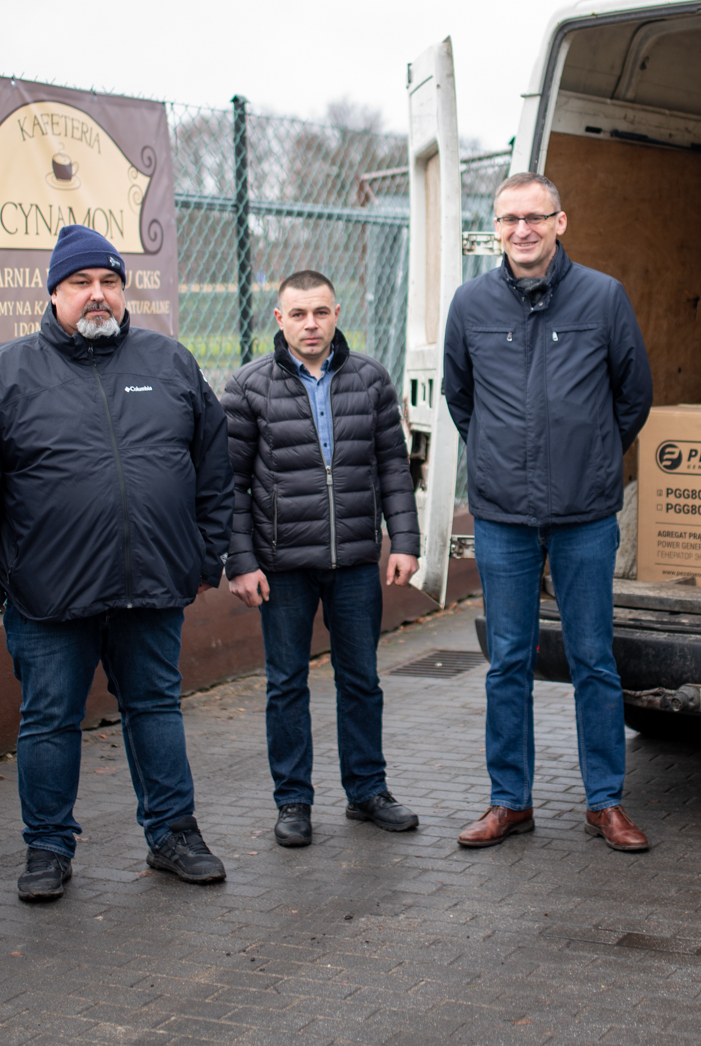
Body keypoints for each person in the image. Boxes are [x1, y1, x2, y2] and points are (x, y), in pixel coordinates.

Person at [0, 223, 233, 898]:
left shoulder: (171, 363)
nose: (97, 295)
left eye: (109, 282)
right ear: (54, 292)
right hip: (48, 593)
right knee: (48, 719)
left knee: (155, 708)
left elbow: (214, 469)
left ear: (124, 290)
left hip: (153, 585)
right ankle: (47, 848)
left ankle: (173, 832)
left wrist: (202, 556)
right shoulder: (4, 376)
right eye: (80, 283)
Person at [442, 172, 655, 853]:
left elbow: (634, 395)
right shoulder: (470, 304)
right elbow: (460, 397)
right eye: (509, 219)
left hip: (585, 514)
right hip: (503, 515)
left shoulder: (602, 297)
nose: (522, 230)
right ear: (495, 229)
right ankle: (511, 800)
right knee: (509, 660)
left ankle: (604, 802)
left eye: (535, 217)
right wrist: (503, 458)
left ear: (561, 221)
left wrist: (591, 457)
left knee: (593, 657)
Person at [222, 269, 423, 848]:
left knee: (361, 678)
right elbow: (231, 484)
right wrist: (240, 560)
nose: (311, 324)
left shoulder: (370, 380)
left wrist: (403, 542)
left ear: (337, 314)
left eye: (321, 313)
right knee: (286, 684)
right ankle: (293, 802)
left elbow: (393, 466)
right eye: (298, 314)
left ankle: (367, 791)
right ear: (279, 319)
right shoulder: (248, 387)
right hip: (280, 565)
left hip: (357, 560)